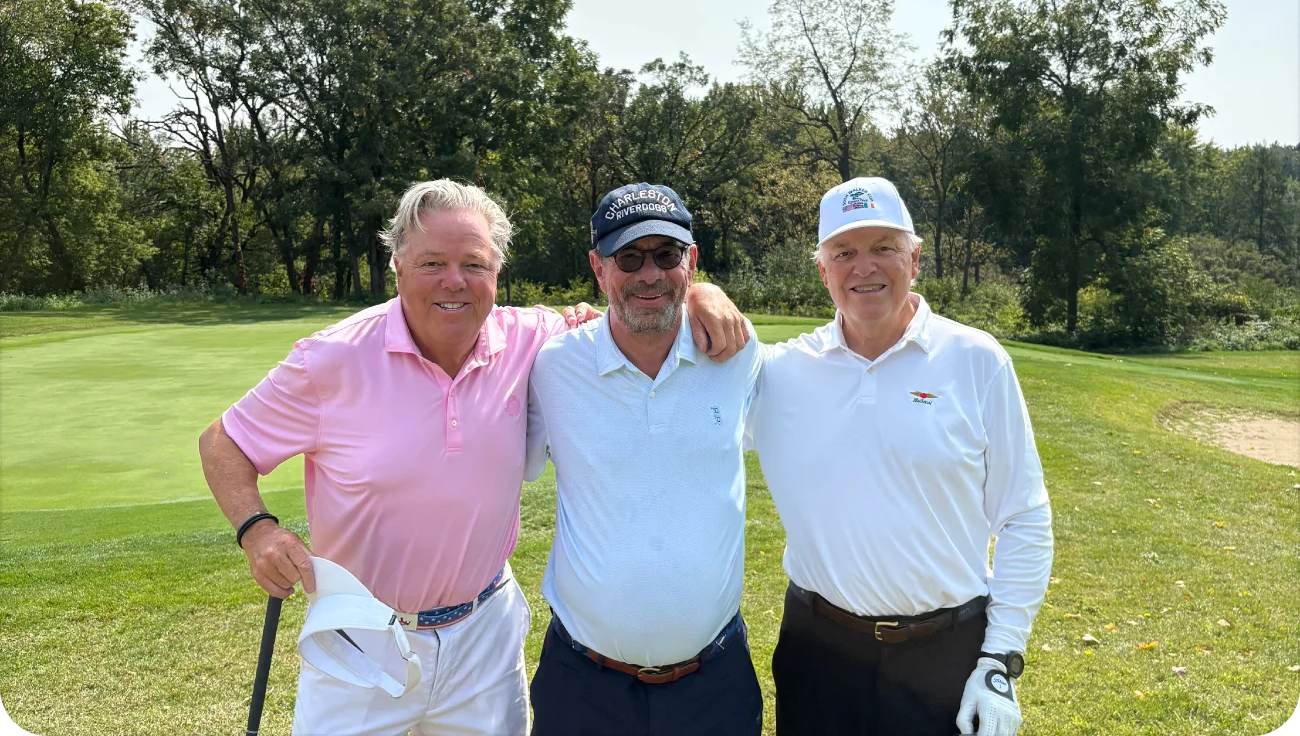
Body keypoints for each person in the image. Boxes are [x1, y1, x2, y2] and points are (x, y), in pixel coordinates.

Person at [196, 178, 749, 736]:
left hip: (484, 634)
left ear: (497, 272)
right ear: (397, 266)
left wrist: (703, 293)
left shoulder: (534, 340)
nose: (454, 281)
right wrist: (258, 530)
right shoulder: (330, 359)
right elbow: (224, 441)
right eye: (432, 262)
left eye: (474, 264)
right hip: (362, 636)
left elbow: (633, 304)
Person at [744, 177, 1054, 736]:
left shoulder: (976, 359)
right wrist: (700, 294)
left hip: (945, 652)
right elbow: (686, 411)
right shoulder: (781, 372)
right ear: (823, 271)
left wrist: (1000, 658)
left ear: (914, 258)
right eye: (844, 252)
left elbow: (1024, 514)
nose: (864, 267)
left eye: (883, 247)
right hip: (818, 653)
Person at [524, 182, 764, 736]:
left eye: (666, 255)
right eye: (628, 257)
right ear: (598, 268)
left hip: (715, 678)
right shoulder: (553, 367)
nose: (649, 273)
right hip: (583, 682)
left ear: (692, 261)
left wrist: (711, 294)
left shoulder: (737, 352)